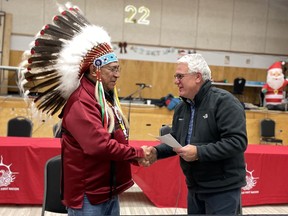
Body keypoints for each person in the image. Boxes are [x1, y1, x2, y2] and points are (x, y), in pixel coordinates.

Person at [18, 2, 149, 215]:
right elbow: (100, 146)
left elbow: (114, 137)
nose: (117, 74)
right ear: (96, 70)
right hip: (88, 196)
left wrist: (133, 155)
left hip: (107, 190)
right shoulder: (81, 103)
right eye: (113, 69)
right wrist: (138, 153)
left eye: (118, 69)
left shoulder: (103, 97)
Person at [146, 53, 247, 215]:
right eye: (175, 76)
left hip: (223, 189)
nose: (175, 81)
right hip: (195, 187)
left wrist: (199, 152)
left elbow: (237, 142)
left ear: (198, 77)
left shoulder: (224, 102)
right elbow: (177, 142)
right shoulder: (181, 107)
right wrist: (156, 152)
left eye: (180, 76)